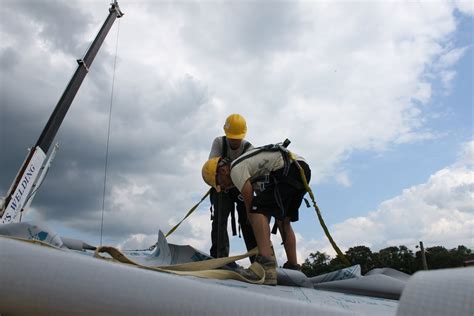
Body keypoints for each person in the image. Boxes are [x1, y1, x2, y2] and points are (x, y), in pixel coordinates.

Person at [202, 144, 311, 285]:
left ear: (222, 170)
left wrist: (260, 235)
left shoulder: (236, 169)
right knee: (282, 220)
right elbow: (265, 202)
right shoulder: (251, 168)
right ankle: (294, 269)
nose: (222, 188)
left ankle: (265, 266)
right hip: (301, 169)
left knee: (255, 209)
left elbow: (251, 206)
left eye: (219, 183)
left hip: (286, 169)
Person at [207, 114, 257, 262]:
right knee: (219, 220)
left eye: (237, 137)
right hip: (221, 188)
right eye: (231, 137)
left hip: (242, 188)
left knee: (249, 221)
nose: (234, 140)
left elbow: (251, 175)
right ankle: (219, 258)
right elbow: (212, 167)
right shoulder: (219, 143)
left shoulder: (249, 149)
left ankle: (258, 261)